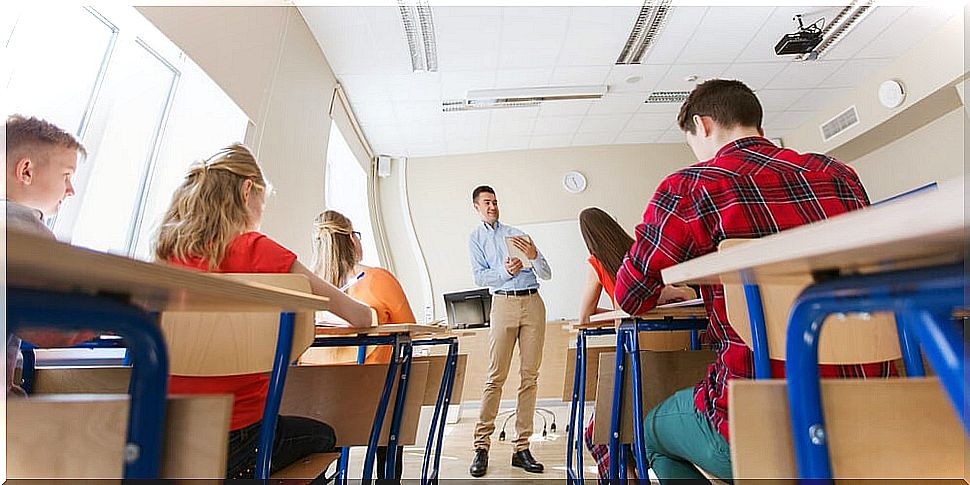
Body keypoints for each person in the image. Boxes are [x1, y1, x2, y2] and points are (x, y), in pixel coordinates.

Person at [613, 79, 895, 483]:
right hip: (869, 408)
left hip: (761, 420)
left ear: (703, 125)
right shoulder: (837, 174)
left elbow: (630, 293)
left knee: (647, 434)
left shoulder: (691, 186)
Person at [154, 143, 374, 479]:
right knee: (325, 437)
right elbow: (360, 317)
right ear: (247, 191)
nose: (261, 212)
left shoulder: (166, 254)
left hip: (165, 437)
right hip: (241, 441)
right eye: (262, 201)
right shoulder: (259, 251)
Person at [576, 207, 694, 480]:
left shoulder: (597, 262)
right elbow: (684, 292)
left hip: (632, 359)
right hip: (674, 362)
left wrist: (617, 310)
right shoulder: (640, 253)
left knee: (600, 431)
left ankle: (627, 476)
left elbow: (584, 315)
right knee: (632, 420)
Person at [310, 208, 416, 479]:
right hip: (373, 405)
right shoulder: (377, 279)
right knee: (396, 401)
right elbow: (411, 330)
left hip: (316, 404)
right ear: (351, 240)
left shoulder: (306, 289)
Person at [5, 114, 97, 396]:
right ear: (27, 172)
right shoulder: (23, 230)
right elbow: (52, 330)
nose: (70, 190)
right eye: (66, 176)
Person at [467, 185, 551, 477]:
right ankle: (481, 446)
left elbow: (546, 273)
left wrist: (535, 254)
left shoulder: (517, 234)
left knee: (530, 376)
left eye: (495, 201)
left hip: (532, 302)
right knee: (496, 376)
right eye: (487, 202)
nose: (492, 206)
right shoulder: (475, 239)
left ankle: (522, 448)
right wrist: (506, 272)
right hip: (502, 303)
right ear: (476, 207)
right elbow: (480, 277)